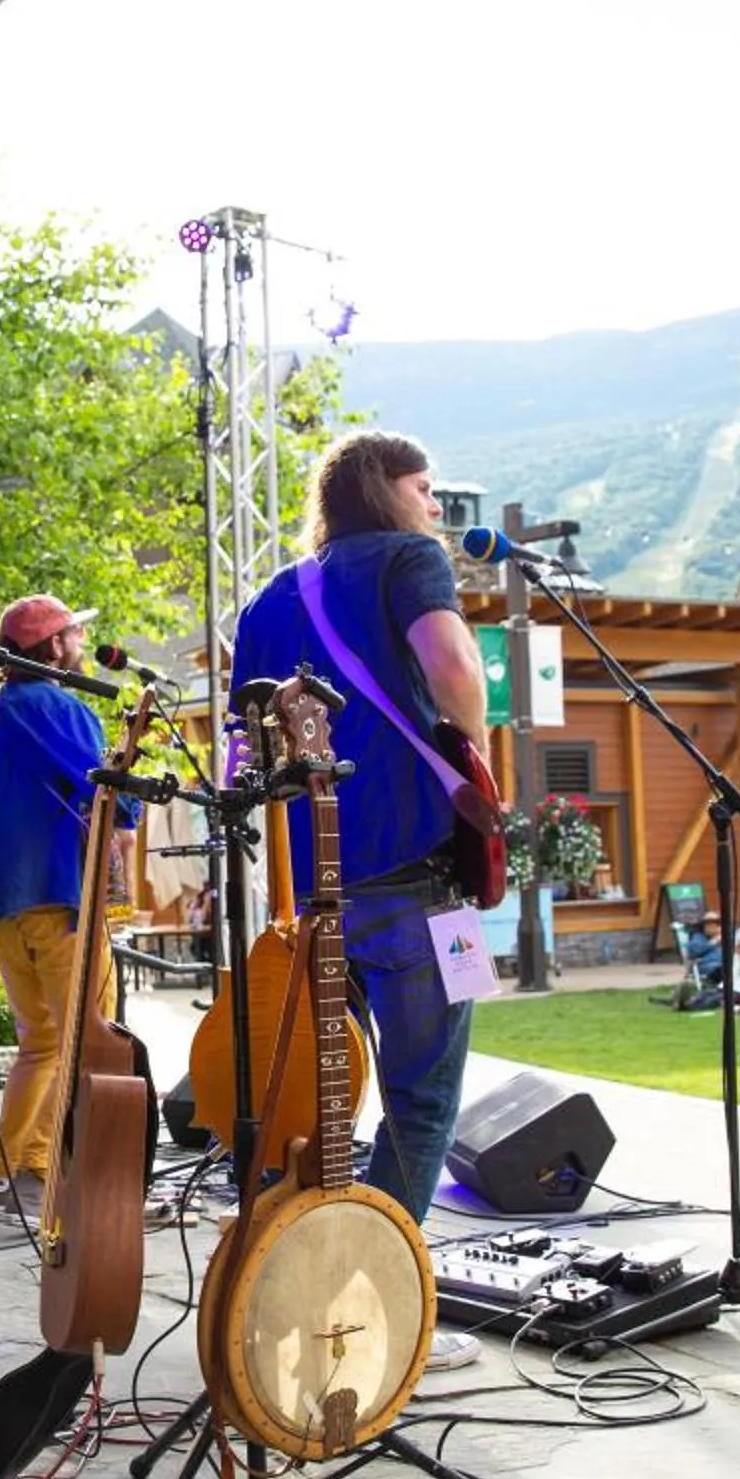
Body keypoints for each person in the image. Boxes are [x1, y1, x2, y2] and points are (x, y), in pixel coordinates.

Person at [231, 432, 494, 1370]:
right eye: (426, 488)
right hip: (421, 882)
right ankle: (377, 1313)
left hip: (315, 896)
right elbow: (454, 665)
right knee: (422, 1107)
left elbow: (245, 758)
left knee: (311, 1111)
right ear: (385, 489)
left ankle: (293, 1291)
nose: (436, 507)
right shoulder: (410, 560)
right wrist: (475, 743)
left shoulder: (265, 599)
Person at [0, 594, 123, 1216]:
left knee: (42, 1043)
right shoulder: (64, 706)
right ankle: (34, 1171)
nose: (81, 643)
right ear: (52, 648)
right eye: (73, 635)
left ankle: (3, 1178)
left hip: (1, 905)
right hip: (58, 900)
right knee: (88, 1039)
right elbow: (107, 792)